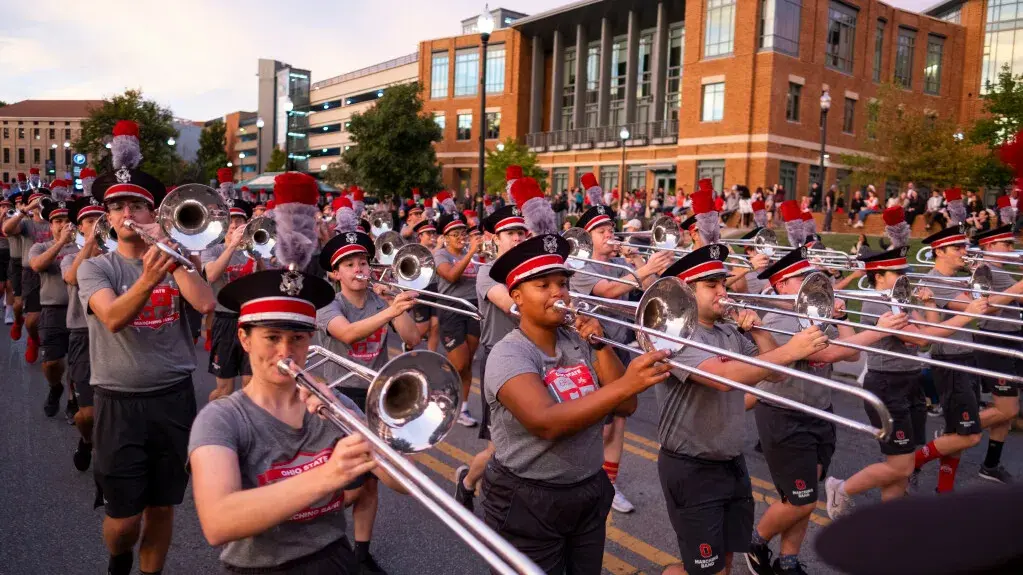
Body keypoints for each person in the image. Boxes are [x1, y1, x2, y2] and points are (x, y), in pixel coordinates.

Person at [188, 190, 406, 574]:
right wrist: (329, 475)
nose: (285, 351)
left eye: (298, 339)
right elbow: (218, 523)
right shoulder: (221, 418)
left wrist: (362, 429)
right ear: (244, 339)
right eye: (271, 338)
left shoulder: (331, 403)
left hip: (334, 558)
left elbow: (403, 482)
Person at [481, 232, 672, 574]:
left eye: (562, 284)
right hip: (528, 498)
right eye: (543, 285)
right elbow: (546, 422)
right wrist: (627, 382)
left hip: (586, 490)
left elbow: (625, 407)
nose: (558, 293)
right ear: (517, 296)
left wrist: (602, 346)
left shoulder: (576, 342)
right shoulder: (509, 352)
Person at [76, 120, 216, 575]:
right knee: (123, 519)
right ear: (108, 218)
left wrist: (170, 253)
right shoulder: (96, 269)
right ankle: (118, 561)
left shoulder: (174, 257)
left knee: (162, 507)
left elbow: (205, 302)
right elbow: (114, 319)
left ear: (153, 213)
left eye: (137, 205)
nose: (128, 213)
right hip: (119, 402)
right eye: (118, 206)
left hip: (174, 397)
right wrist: (151, 276)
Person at [655, 244, 828, 575]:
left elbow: (775, 373)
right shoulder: (675, 336)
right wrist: (791, 349)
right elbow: (722, 377)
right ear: (686, 293)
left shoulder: (728, 331)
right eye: (712, 286)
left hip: (730, 461)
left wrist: (760, 332)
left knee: (727, 562)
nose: (723, 291)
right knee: (710, 570)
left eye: (723, 282)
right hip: (691, 467)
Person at [744, 248, 909, 575]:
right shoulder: (779, 319)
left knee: (805, 494)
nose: (811, 283)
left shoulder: (813, 315)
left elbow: (851, 356)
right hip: (784, 414)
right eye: (802, 278)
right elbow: (835, 353)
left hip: (819, 411)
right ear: (781, 285)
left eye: (812, 276)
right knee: (801, 498)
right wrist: (880, 328)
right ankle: (754, 541)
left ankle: (788, 560)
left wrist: (842, 317)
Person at [824, 245, 996, 520]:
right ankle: (842, 487)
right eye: (898, 272)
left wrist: (928, 305)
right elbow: (921, 339)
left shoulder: (899, 299)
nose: (905, 278)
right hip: (887, 385)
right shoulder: (877, 302)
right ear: (879, 275)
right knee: (902, 466)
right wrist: (969, 313)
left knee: (902, 462)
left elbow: (929, 329)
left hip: (910, 381)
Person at [571, 182, 674, 513]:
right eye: (601, 230)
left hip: (621, 345)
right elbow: (610, 292)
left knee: (620, 418)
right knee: (598, 427)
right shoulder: (580, 267)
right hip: (592, 349)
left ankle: (610, 484)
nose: (609, 234)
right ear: (587, 238)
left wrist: (640, 264)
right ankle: (584, 479)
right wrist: (642, 268)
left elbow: (646, 294)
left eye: (610, 228)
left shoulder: (624, 263)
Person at [453, 204, 528, 512]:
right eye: (510, 233)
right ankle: (469, 483)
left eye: (522, 233)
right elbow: (513, 305)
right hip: (500, 358)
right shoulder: (487, 272)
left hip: (533, 357)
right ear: (495, 239)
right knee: (500, 445)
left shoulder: (532, 272)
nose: (518, 239)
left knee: (530, 439)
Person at [62, 195, 106, 472]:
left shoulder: (116, 255)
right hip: (82, 334)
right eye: (89, 221)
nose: (95, 224)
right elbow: (71, 278)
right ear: (79, 227)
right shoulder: (69, 257)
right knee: (87, 414)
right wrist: (91, 243)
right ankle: (87, 440)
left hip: (114, 335)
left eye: (100, 220)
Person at [27, 197, 78, 418]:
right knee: (51, 364)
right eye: (57, 220)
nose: (62, 224)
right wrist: (60, 243)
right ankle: (56, 387)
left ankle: (72, 399)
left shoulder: (81, 247)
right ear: (51, 225)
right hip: (52, 311)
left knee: (78, 363)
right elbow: (37, 265)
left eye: (66, 219)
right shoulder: (41, 246)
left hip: (79, 311)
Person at [203, 200, 259, 402]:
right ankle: (213, 425)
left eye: (238, 220)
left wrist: (258, 256)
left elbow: (265, 279)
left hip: (251, 320)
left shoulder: (254, 247)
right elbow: (211, 275)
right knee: (224, 390)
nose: (234, 225)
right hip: (224, 321)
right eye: (229, 221)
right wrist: (232, 246)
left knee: (250, 387)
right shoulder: (212, 250)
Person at [433, 212, 483, 427]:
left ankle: (462, 408)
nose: (460, 237)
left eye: (462, 232)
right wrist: (471, 251)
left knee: (468, 363)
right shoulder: (441, 255)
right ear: (446, 237)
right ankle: (439, 393)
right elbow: (451, 276)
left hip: (473, 307)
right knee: (459, 362)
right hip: (451, 307)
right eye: (455, 234)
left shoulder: (472, 254)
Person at [3, 185, 54, 364]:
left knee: (50, 315)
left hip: (53, 272)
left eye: (43, 201)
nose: (40, 205)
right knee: (31, 320)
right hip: (30, 273)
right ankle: (33, 337)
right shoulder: (26, 223)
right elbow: (7, 230)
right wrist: (25, 210)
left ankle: (48, 344)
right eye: (36, 201)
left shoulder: (55, 222)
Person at [410, 219, 441, 352]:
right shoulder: (415, 250)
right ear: (420, 236)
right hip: (422, 290)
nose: (433, 236)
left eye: (434, 233)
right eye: (429, 233)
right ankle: (408, 346)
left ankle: (431, 356)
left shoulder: (439, 250)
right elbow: (426, 261)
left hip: (437, 289)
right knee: (422, 329)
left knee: (435, 326)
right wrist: (439, 247)